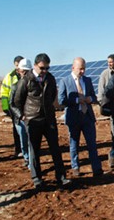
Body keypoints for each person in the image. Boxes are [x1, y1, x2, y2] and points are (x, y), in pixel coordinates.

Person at [12, 53, 71, 192]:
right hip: (33, 120)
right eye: (42, 68)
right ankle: (37, 179)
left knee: (55, 149)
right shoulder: (26, 80)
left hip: (49, 119)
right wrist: (22, 117)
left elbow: (51, 97)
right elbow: (15, 103)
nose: (45, 71)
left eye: (47, 68)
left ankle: (61, 177)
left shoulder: (50, 78)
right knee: (34, 150)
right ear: (35, 65)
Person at [58, 57, 103, 177]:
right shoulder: (65, 81)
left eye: (84, 69)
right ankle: (76, 167)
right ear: (73, 68)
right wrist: (77, 100)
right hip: (73, 117)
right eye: (80, 69)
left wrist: (90, 99)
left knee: (92, 144)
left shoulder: (87, 80)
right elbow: (61, 100)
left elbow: (94, 96)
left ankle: (96, 168)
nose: (82, 71)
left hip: (87, 116)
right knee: (74, 144)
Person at [9, 58, 32, 168]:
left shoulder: (35, 86)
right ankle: (26, 158)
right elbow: (12, 104)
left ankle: (32, 160)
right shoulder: (15, 86)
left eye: (28, 72)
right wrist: (20, 115)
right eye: (24, 72)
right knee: (23, 140)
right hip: (20, 119)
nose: (26, 74)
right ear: (19, 71)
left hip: (32, 117)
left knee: (31, 141)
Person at [0, 56, 24, 157]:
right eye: (17, 65)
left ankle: (28, 149)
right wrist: (6, 108)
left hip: (26, 107)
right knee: (16, 129)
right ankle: (18, 149)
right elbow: (4, 92)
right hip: (14, 107)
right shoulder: (9, 76)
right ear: (15, 64)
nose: (19, 68)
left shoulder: (28, 75)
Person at [97, 54, 114, 132]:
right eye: (108, 62)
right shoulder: (104, 74)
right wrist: (101, 102)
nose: (109, 64)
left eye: (111, 62)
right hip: (110, 101)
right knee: (113, 121)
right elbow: (101, 88)